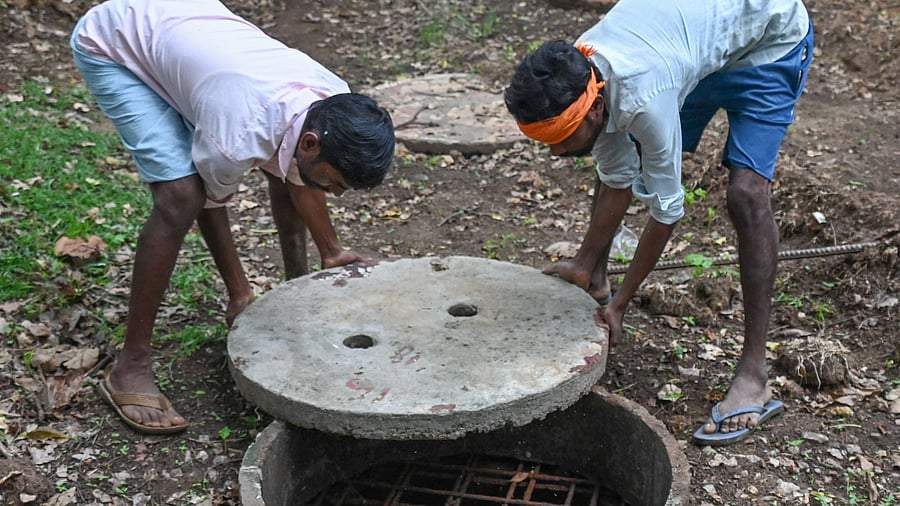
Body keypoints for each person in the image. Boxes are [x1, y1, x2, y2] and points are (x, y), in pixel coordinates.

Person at [70, 0, 395, 434]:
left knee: (293, 174)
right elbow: (211, 205)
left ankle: (295, 282)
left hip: (180, 27)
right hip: (115, 41)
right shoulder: (236, 136)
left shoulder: (331, 98)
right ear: (312, 143)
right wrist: (239, 293)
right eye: (336, 182)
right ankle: (130, 366)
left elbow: (294, 174)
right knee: (181, 195)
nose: (335, 193)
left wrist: (330, 251)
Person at [505, 0, 813, 446]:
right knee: (614, 147)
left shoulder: (646, 98)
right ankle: (589, 272)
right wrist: (583, 261)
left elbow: (667, 210)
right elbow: (615, 173)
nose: (555, 153)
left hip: (769, 41)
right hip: (693, 48)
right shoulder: (579, 70)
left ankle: (754, 373)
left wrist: (623, 304)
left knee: (746, 196)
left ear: (592, 108)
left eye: (559, 139)